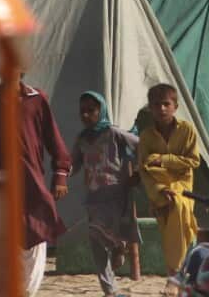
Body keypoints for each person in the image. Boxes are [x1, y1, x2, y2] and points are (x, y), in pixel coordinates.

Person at [0, 76, 71, 296]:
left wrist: (60, 175)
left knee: (36, 232)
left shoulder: (37, 100)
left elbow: (53, 139)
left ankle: (27, 292)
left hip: (33, 182)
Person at [72, 91, 141, 297]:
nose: (86, 115)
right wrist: (60, 172)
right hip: (94, 198)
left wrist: (137, 172)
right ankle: (109, 290)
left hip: (116, 196)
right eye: (82, 111)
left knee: (114, 237)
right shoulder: (82, 139)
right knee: (96, 242)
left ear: (101, 110)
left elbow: (142, 146)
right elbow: (72, 164)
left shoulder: (113, 133)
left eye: (91, 110)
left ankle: (120, 247)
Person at [138, 83, 199, 274]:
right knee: (170, 226)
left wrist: (163, 159)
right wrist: (159, 190)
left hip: (182, 185)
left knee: (179, 208)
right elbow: (144, 170)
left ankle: (175, 271)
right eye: (156, 105)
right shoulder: (146, 136)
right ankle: (176, 271)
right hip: (159, 187)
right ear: (150, 108)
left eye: (166, 104)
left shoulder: (186, 130)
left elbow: (193, 161)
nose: (161, 109)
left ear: (175, 107)